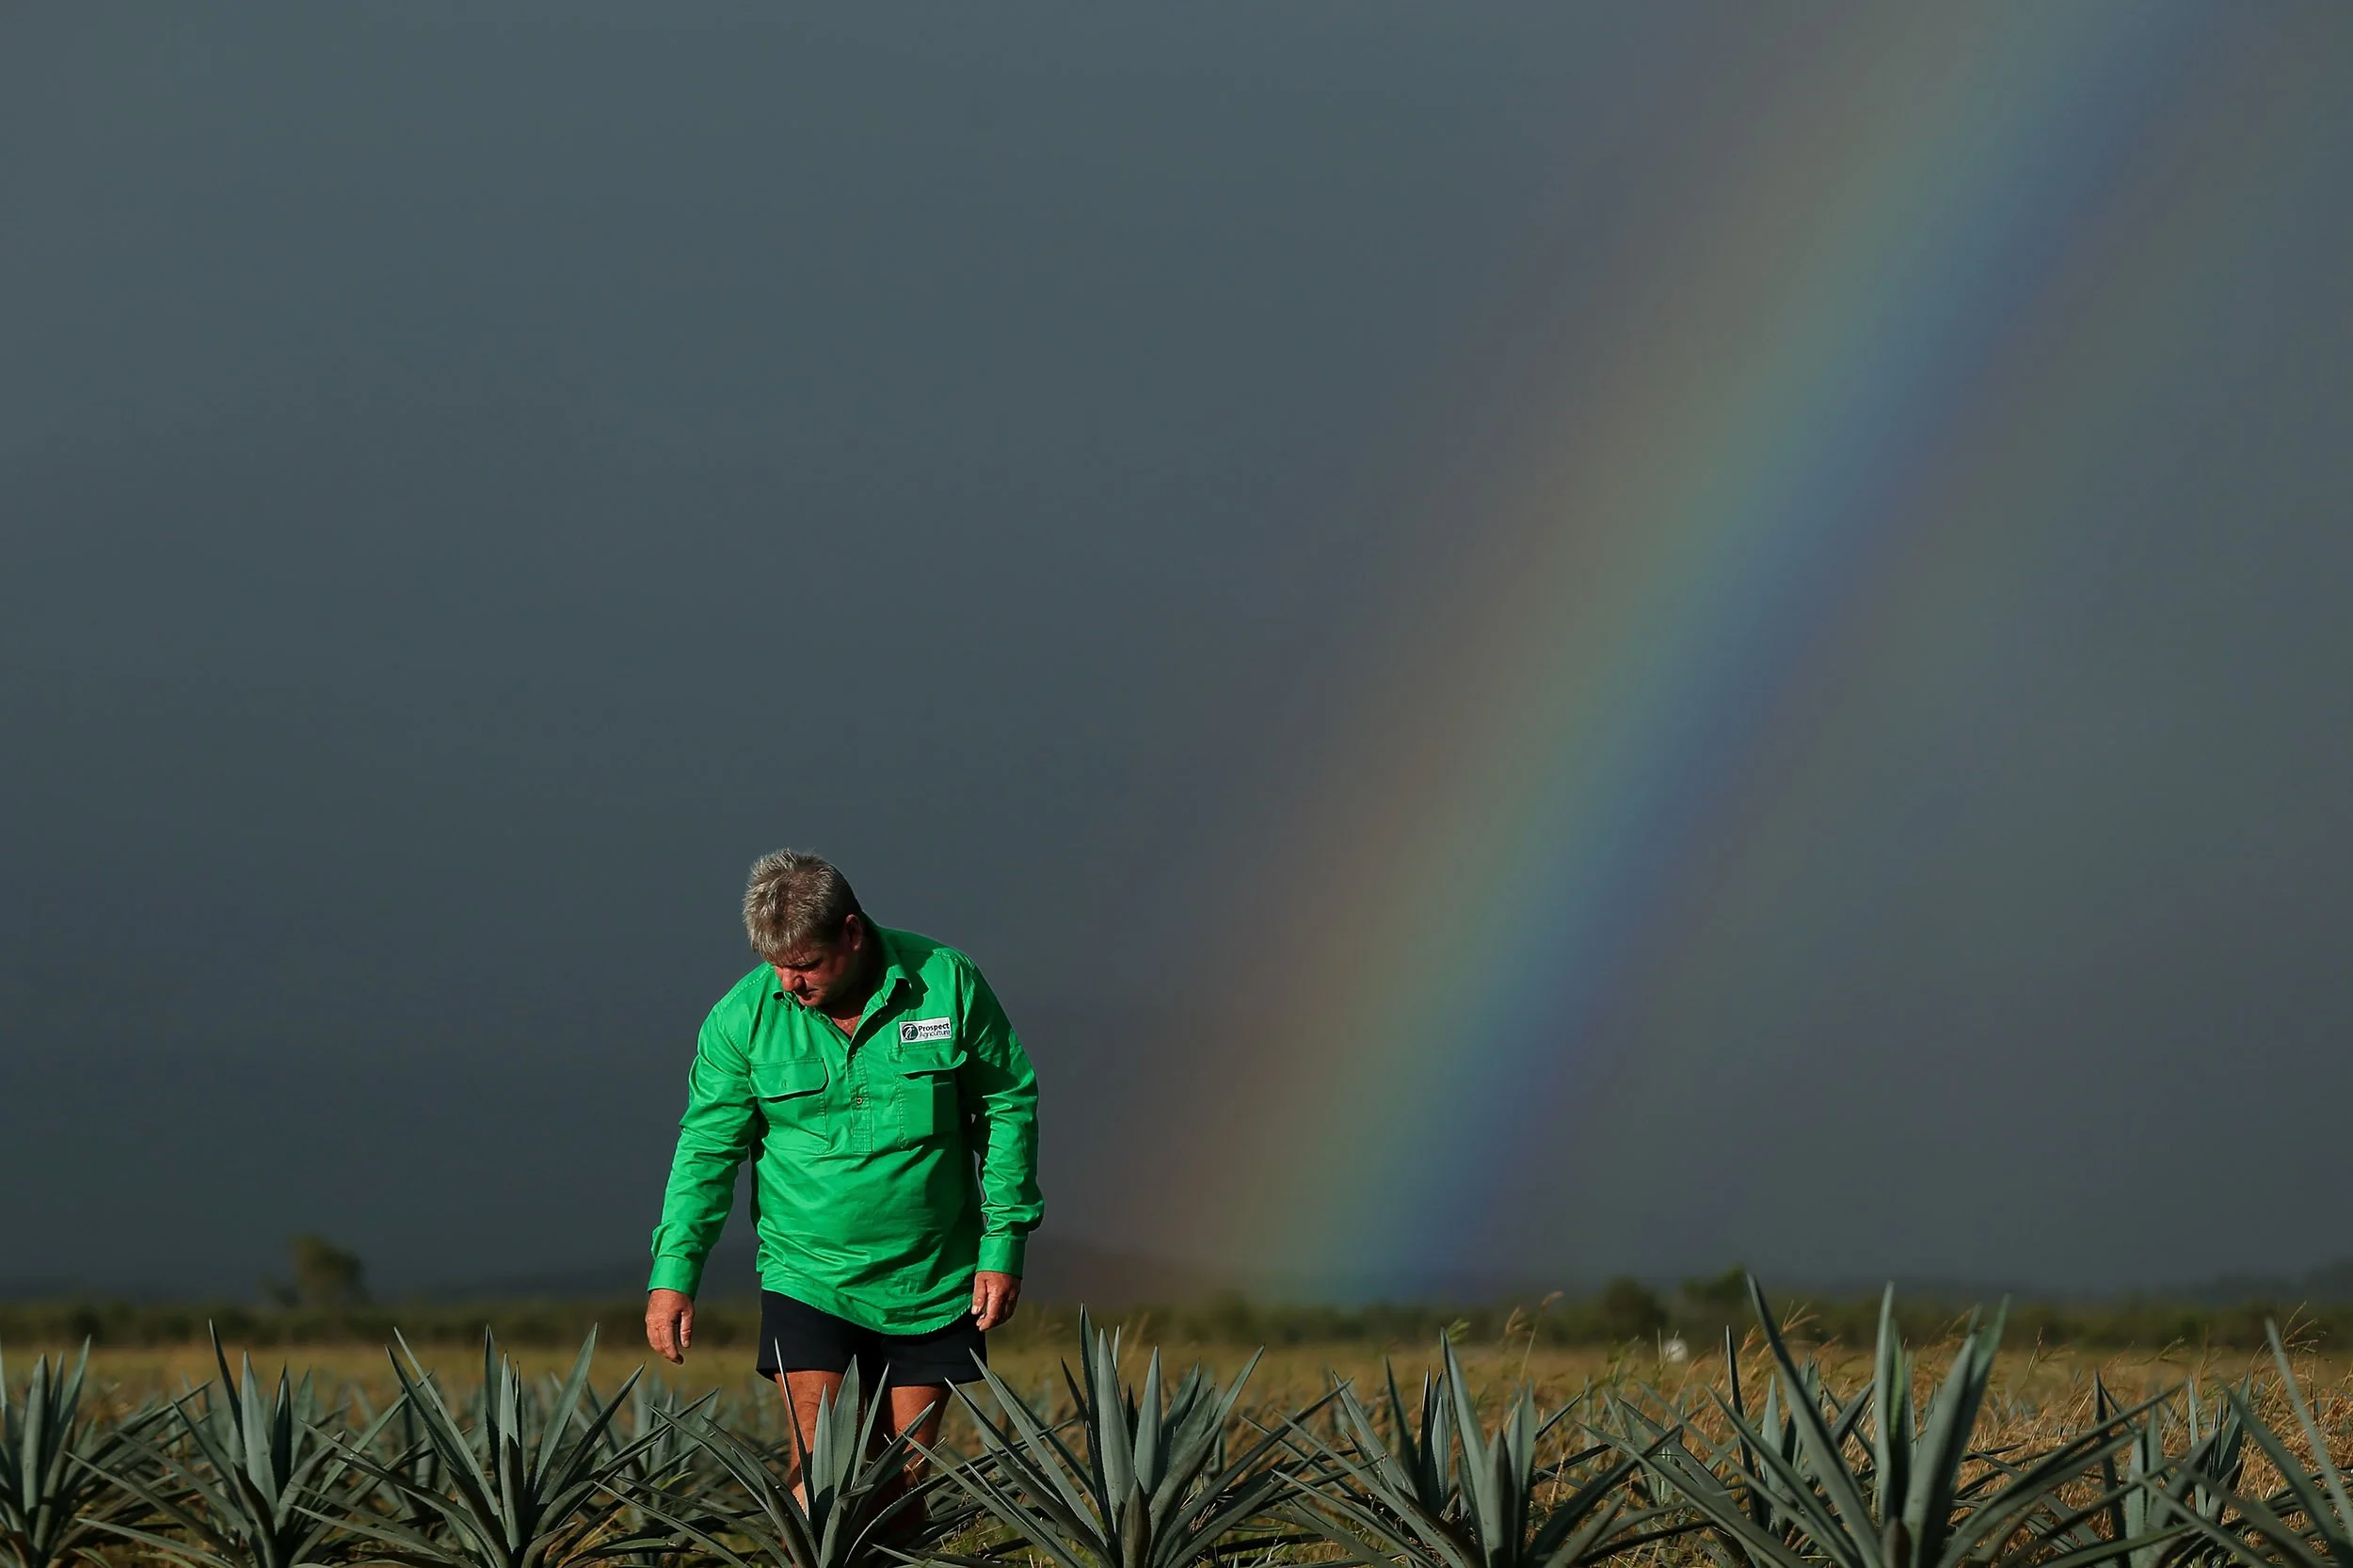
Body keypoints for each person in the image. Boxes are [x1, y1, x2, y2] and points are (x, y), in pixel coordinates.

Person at [645, 849, 1042, 1471]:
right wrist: (674, 1275)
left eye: (805, 965)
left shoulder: (949, 983)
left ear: (852, 933)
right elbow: (706, 1151)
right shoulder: (738, 1021)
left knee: (901, 1481)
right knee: (820, 1467)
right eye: (776, 966)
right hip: (806, 1276)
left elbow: (1006, 1107)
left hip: (933, 1282)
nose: (789, 983)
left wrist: (1003, 1244)